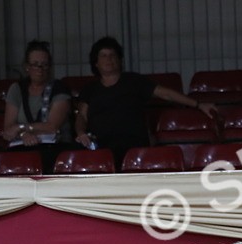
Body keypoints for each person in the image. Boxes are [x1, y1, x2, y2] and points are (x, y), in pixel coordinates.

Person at [74, 36, 217, 166]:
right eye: (104, 56)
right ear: (96, 63)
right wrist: (80, 133)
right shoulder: (90, 89)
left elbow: (166, 94)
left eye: (112, 55)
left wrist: (198, 104)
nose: (109, 59)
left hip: (135, 149)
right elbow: (82, 115)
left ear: (120, 60)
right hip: (102, 150)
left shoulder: (134, 81)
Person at [1, 40, 75, 173]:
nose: (40, 69)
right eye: (35, 64)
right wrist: (24, 134)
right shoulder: (16, 89)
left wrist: (22, 128)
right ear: (27, 67)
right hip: (22, 148)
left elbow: (52, 126)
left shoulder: (59, 88)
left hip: (55, 150)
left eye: (44, 65)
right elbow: (8, 129)